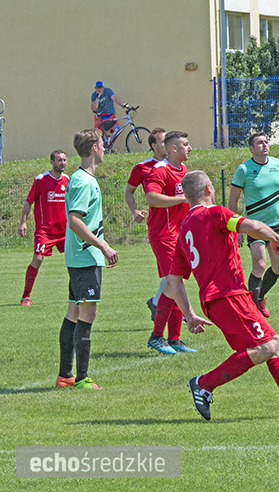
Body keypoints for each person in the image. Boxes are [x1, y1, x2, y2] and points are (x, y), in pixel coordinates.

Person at [167, 170, 279, 421]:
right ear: (209, 189)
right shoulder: (215, 213)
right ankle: (204, 384)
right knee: (265, 346)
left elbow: (174, 279)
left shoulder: (184, 230)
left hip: (217, 299)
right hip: (227, 295)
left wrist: (190, 315)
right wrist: (275, 239)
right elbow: (251, 226)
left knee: (274, 344)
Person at [57, 129, 118, 389]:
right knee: (88, 312)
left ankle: (65, 376)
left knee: (74, 311)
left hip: (80, 255)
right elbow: (74, 220)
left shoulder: (82, 178)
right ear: (94, 147)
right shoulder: (83, 181)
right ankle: (81, 378)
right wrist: (103, 245)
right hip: (85, 256)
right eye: (103, 144)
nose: (105, 148)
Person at [229, 131, 279, 318]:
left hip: (276, 227)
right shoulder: (243, 169)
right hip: (255, 227)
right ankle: (252, 307)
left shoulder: (278, 165)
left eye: (266, 142)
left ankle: (260, 297)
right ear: (251, 149)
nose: (264, 145)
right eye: (259, 143)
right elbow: (233, 200)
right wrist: (238, 228)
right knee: (259, 265)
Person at [144, 131, 196, 355]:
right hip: (164, 234)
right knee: (174, 284)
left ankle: (174, 339)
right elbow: (151, 198)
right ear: (173, 148)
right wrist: (183, 199)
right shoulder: (159, 170)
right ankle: (157, 337)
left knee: (176, 284)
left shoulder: (183, 170)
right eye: (185, 144)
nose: (190, 148)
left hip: (179, 235)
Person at [124, 127, 167, 320]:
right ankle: (171, 307)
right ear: (153, 145)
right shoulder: (143, 167)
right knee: (171, 274)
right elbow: (129, 191)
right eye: (163, 141)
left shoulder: (176, 165)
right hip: (160, 227)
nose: (167, 145)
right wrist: (134, 211)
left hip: (179, 225)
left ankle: (159, 301)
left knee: (173, 275)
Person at [18, 150, 69, 306]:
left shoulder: (68, 180)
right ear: (52, 162)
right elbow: (29, 202)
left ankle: (77, 294)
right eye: (59, 160)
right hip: (45, 231)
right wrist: (23, 222)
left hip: (65, 231)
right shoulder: (41, 180)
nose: (63, 163)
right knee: (38, 259)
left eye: (65, 160)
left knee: (75, 260)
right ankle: (25, 296)